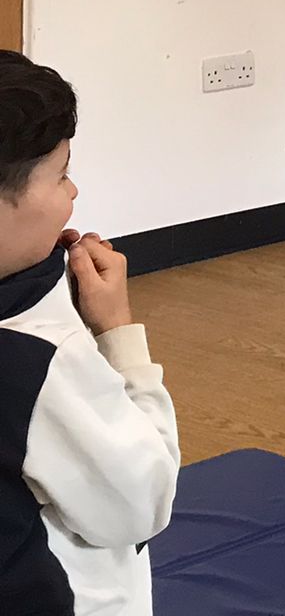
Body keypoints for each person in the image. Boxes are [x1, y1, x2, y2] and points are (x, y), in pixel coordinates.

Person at [0, 52, 180, 614]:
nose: (73, 193)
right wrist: (116, 331)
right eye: (61, 174)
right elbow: (142, 502)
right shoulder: (35, 360)